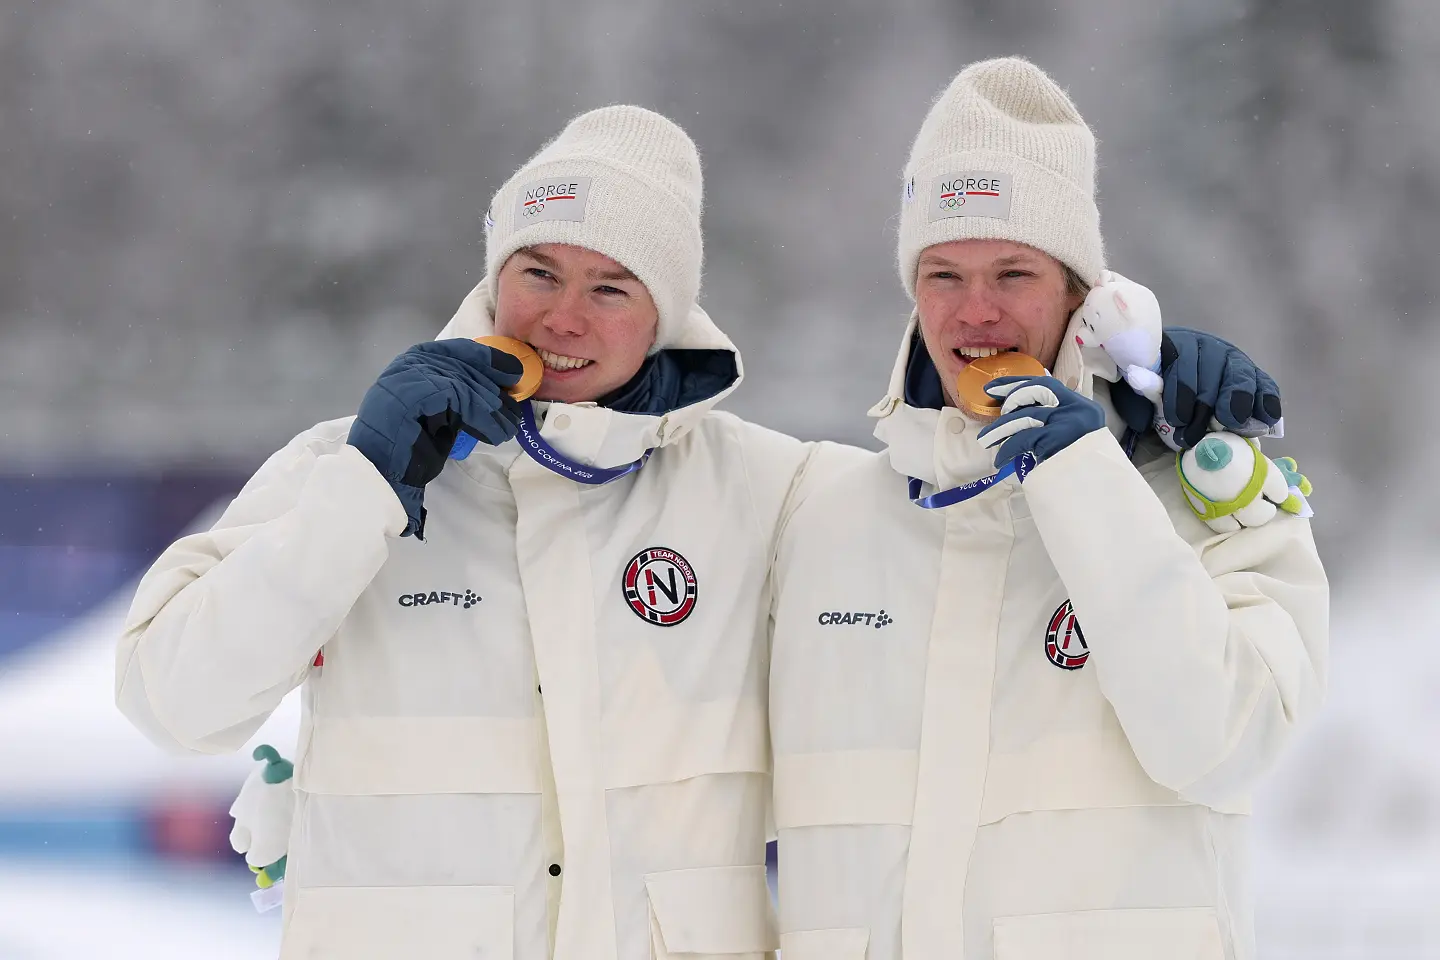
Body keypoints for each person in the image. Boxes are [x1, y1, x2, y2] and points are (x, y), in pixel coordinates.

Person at [119, 103, 1285, 960]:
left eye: (612, 288)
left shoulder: (772, 496)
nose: (564, 318)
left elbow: (966, 521)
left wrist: (1143, 413)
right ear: (491, 278)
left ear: (665, 316)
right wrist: (367, 485)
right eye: (538, 270)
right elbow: (174, 699)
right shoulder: (350, 466)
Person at [767, 58, 1327, 960]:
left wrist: (1082, 473)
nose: (974, 312)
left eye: (1013, 272)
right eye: (943, 273)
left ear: (1080, 292)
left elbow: (1224, 743)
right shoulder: (819, 511)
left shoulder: (1209, 491)